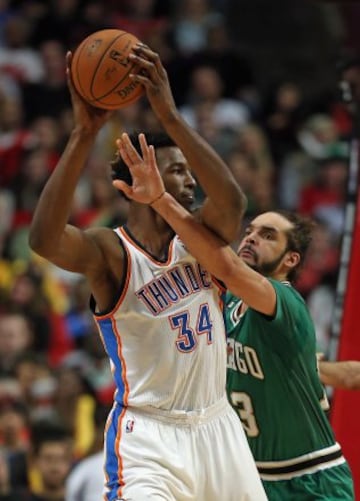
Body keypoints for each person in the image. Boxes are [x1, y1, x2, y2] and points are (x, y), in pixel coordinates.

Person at [29, 44, 267, 501]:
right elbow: (44, 240)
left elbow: (233, 202)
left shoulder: (200, 239)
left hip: (218, 425)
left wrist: (171, 116)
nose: (192, 179)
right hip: (149, 435)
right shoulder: (110, 251)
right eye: (178, 169)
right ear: (139, 177)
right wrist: (83, 134)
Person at [111, 134, 355, 500]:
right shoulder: (222, 307)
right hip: (251, 476)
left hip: (311, 475)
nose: (251, 238)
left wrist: (160, 200)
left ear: (290, 260)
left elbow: (224, 264)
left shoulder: (285, 302)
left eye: (268, 236)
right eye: (251, 230)